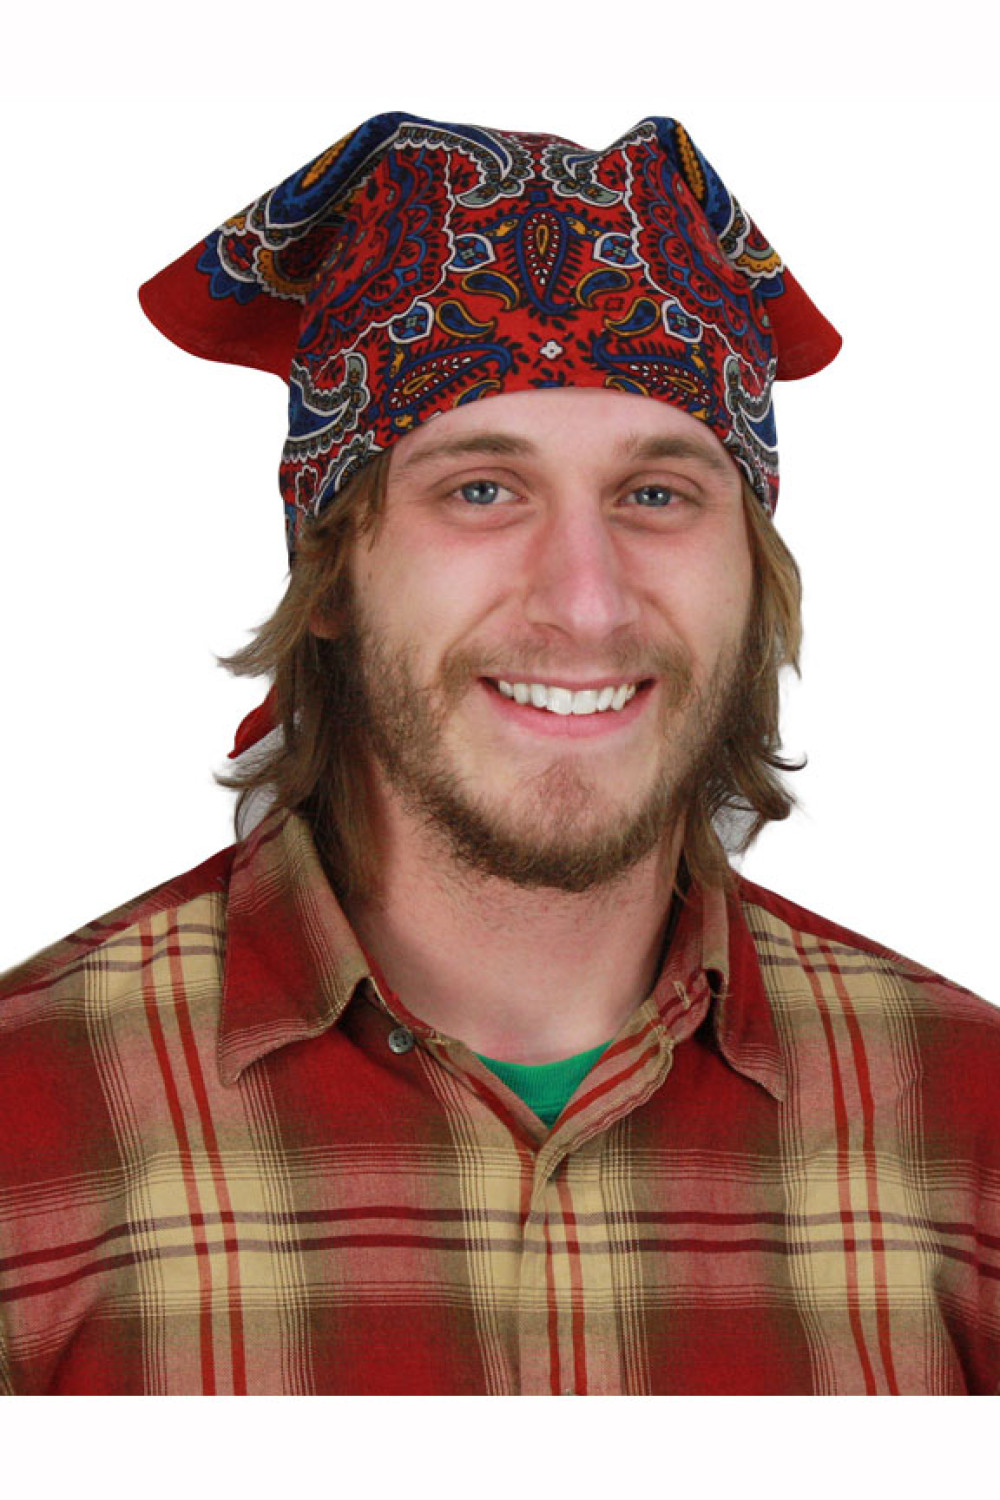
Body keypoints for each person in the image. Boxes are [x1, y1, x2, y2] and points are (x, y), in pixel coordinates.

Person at [0, 110, 997, 1397]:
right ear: (330, 575)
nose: (585, 602)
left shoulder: (968, 1123)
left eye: (657, 495)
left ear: (751, 575)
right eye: (481, 489)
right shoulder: (29, 1127)